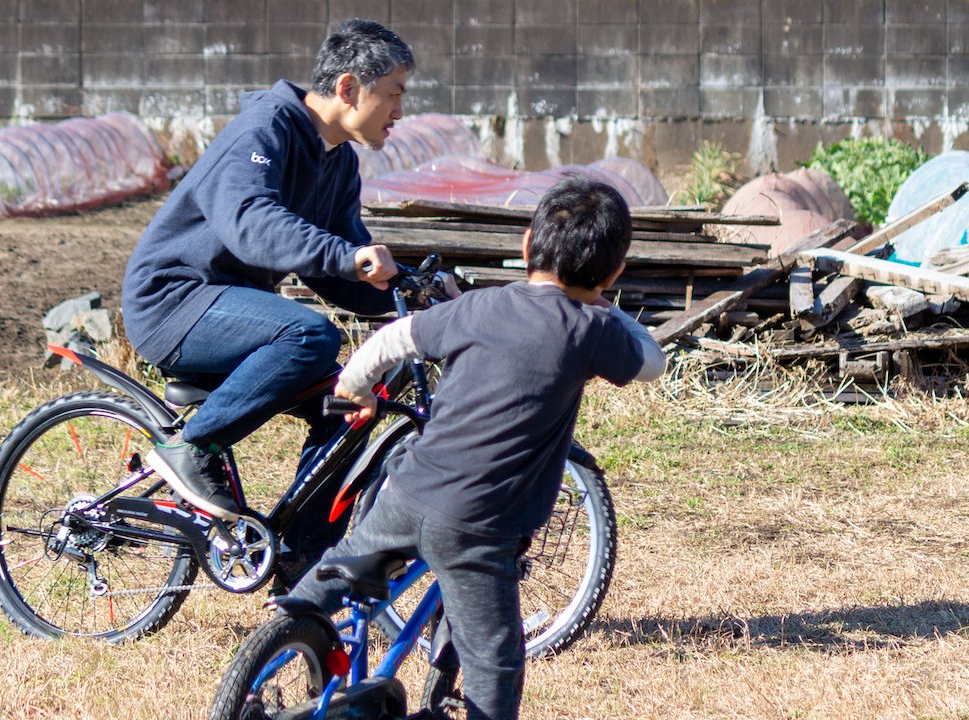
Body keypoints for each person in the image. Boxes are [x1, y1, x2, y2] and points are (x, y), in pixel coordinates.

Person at [286, 175, 667, 720]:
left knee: (332, 574)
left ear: (526, 248)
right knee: (495, 664)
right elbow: (652, 364)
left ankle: (279, 633)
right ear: (613, 272)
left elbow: (392, 339)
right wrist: (610, 307)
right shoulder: (590, 329)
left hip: (407, 490)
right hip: (479, 529)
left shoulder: (479, 307)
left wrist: (354, 385)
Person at [120, 20, 414, 526]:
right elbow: (250, 221)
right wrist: (349, 258)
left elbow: (341, 267)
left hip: (231, 310)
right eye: (393, 93)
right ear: (347, 87)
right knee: (310, 334)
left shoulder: (339, 162)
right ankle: (192, 449)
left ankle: (300, 559)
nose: (399, 112)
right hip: (173, 302)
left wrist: (412, 289)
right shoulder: (266, 128)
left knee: (352, 405)